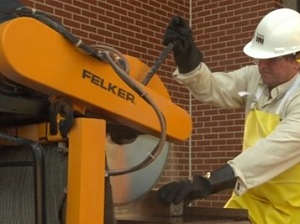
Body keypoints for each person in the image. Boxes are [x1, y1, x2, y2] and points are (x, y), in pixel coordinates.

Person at [157, 7, 300, 224]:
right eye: (258, 58)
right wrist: (188, 60)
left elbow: (267, 154)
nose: (261, 65)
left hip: (289, 212)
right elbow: (215, 88)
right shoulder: (255, 79)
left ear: (297, 58)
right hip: (249, 200)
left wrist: (206, 183)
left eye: (271, 59)